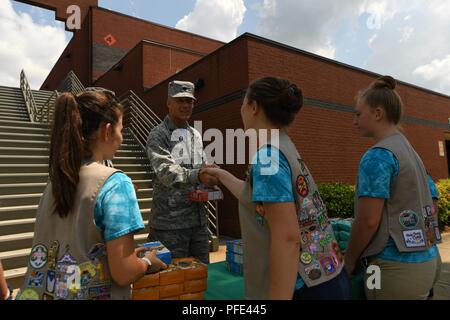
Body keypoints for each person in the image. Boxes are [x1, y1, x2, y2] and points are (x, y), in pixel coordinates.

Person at [202, 77, 351, 300]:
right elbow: (258, 199)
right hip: (326, 275)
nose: (240, 109)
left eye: (243, 102)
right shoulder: (282, 146)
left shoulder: (267, 158)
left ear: (254, 107)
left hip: (304, 287)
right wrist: (221, 174)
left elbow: (288, 238)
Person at [16, 90, 166, 300]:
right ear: (107, 131)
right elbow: (124, 273)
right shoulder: (116, 183)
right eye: (121, 129)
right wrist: (148, 262)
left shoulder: (54, 182)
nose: (122, 137)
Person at [345, 75, 442, 300]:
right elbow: (432, 204)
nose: (354, 121)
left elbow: (368, 221)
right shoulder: (411, 153)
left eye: (358, 114)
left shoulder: (377, 156)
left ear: (378, 114)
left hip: (390, 270)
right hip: (429, 262)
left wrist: (348, 262)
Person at [146, 81, 218, 264]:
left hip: (198, 223)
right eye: (180, 100)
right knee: (172, 283)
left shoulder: (195, 134)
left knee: (202, 279)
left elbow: (200, 166)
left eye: (190, 101)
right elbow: (166, 171)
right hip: (169, 227)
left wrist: (209, 175)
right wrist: (198, 174)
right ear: (169, 102)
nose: (186, 105)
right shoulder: (158, 134)